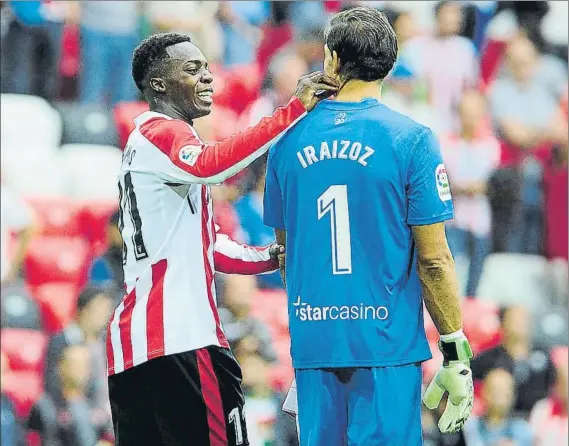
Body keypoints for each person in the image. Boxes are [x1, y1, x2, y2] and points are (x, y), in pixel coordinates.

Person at [106, 32, 338, 446]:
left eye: (209, 68)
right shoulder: (164, 133)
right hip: (183, 339)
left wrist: (271, 255)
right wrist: (293, 110)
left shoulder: (146, 150)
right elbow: (212, 165)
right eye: (193, 69)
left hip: (135, 349)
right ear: (158, 84)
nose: (209, 78)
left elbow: (208, 246)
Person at [263, 7, 474, 445]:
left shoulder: (286, 142)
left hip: (314, 344)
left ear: (331, 60)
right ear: (390, 63)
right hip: (386, 349)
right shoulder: (411, 139)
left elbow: (287, 255)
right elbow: (433, 259)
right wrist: (453, 348)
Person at [45, 286, 114, 433]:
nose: (104, 315)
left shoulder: (105, 343)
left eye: (107, 309)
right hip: (75, 409)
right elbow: (51, 383)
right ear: (83, 309)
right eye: (99, 309)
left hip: (105, 409)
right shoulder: (63, 340)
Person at [471, 305, 556, 415]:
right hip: (497, 419)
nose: (520, 324)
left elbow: (554, 386)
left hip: (536, 418)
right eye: (515, 320)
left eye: (524, 320)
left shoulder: (542, 354)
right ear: (503, 323)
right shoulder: (489, 357)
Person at [29, 343, 109, 446]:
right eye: (74, 365)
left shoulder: (97, 408)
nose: (80, 371)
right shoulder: (45, 406)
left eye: (84, 366)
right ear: (60, 367)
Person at [463, 368, 533, 446]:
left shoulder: (522, 430)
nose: (500, 397)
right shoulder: (470, 427)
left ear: (513, 395)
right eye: (496, 390)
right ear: (484, 393)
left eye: (506, 391)